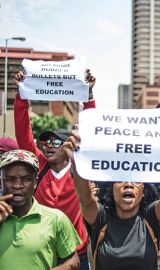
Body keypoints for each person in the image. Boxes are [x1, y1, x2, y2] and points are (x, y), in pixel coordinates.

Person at [60, 129, 160, 270]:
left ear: (144, 191)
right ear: (111, 188)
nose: (128, 184)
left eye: (136, 181)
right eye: (120, 180)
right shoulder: (101, 218)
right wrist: (76, 161)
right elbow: (85, 199)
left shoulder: (150, 217)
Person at [13, 69, 96, 269]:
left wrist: (89, 96)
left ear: (67, 144)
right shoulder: (40, 166)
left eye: (54, 141)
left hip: (77, 254)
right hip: (44, 250)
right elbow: (24, 132)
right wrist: (21, 95)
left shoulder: (80, 168)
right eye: (45, 142)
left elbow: (92, 131)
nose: (48, 145)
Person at [0, 149, 80, 270]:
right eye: (10, 179)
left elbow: (73, 260)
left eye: (26, 179)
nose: (17, 185)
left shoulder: (56, 218)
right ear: (1, 181)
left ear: (35, 182)